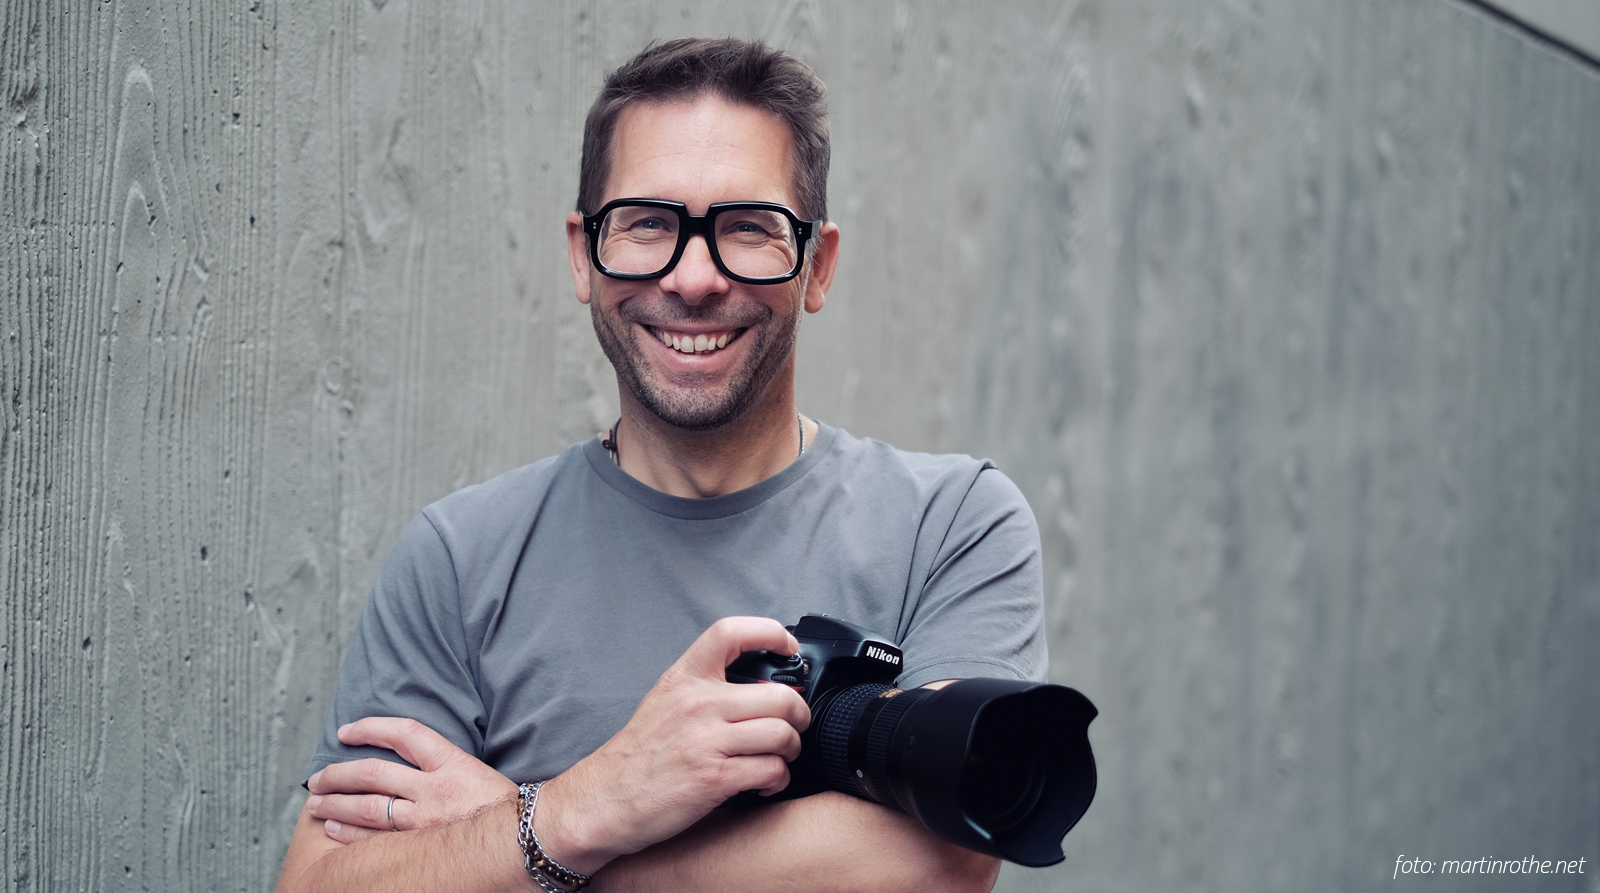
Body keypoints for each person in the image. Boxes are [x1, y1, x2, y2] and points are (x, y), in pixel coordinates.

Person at [274, 38, 1046, 893]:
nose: (694, 275)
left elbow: (942, 864)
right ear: (582, 253)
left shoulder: (951, 523)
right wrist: (589, 802)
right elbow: (322, 884)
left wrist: (544, 839)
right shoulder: (461, 559)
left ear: (816, 266)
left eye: (748, 228)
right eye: (648, 223)